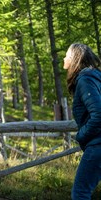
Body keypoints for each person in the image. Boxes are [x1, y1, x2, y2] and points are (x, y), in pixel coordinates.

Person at [63, 43, 101, 199]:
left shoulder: (85, 79)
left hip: (97, 145)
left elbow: (99, 114)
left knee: (80, 193)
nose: (64, 58)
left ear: (74, 58)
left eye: (66, 55)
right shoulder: (94, 78)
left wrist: (82, 136)